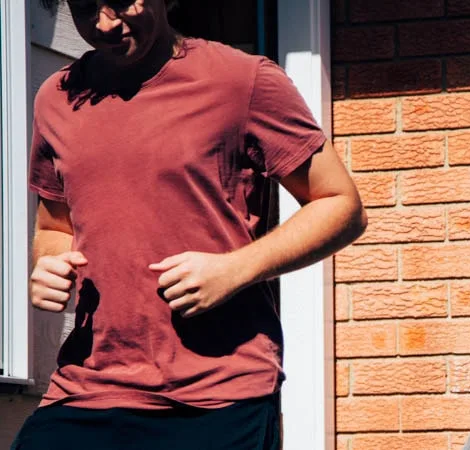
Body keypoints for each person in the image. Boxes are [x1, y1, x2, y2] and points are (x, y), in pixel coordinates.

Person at [12, 1, 367, 449]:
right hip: (87, 388)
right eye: (85, 6)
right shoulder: (58, 97)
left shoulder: (243, 81)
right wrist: (47, 264)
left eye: (121, 0)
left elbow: (341, 205)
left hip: (216, 394)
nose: (103, 23)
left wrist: (233, 270)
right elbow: (54, 228)